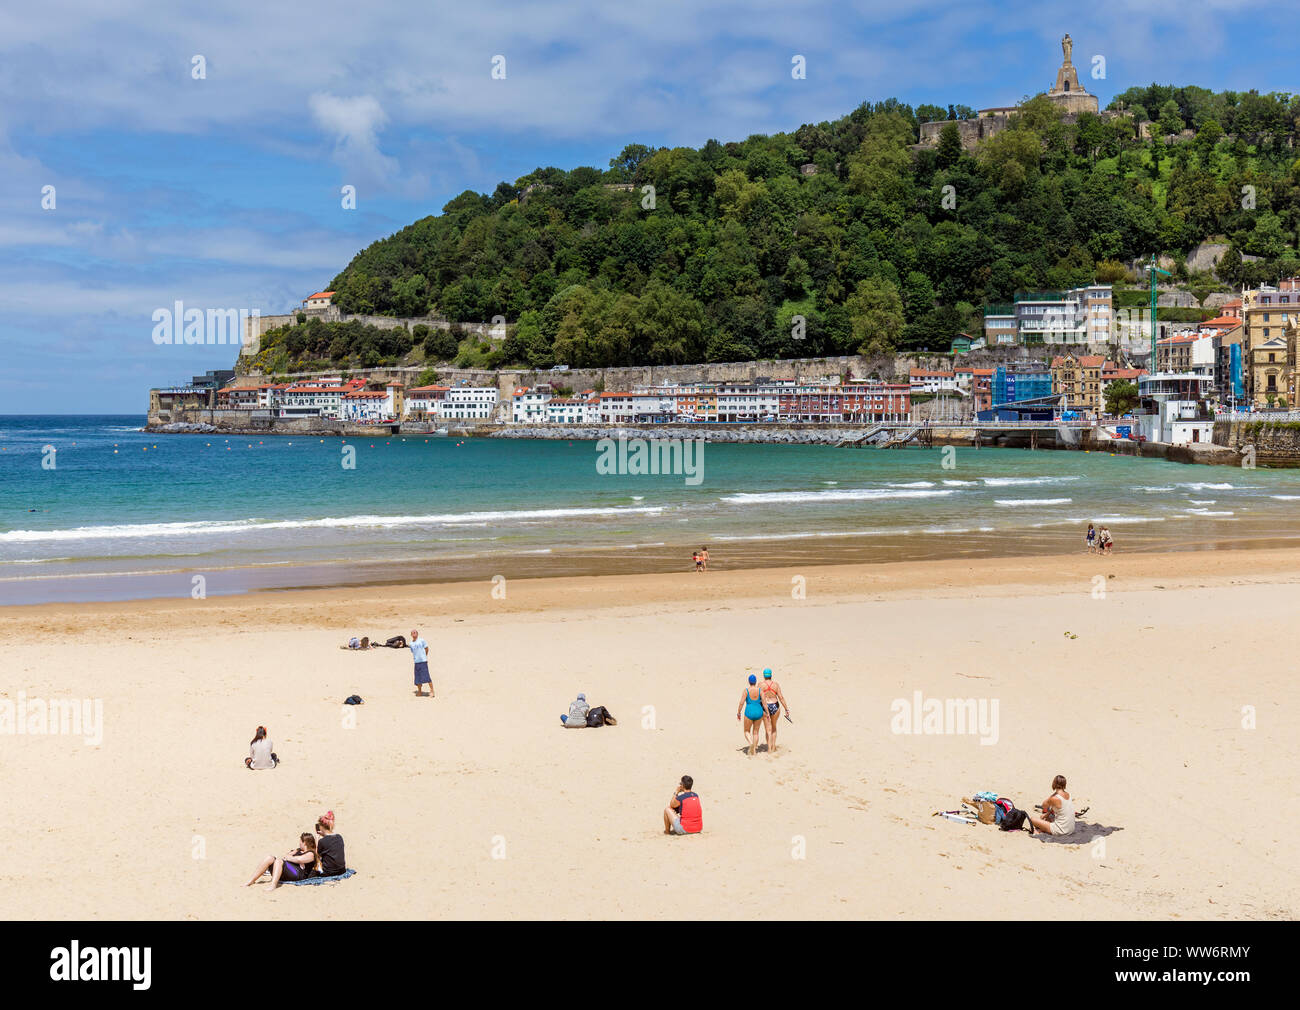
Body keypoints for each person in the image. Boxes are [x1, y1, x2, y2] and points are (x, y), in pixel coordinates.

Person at [244, 832, 318, 890]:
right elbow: (286, 856)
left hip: (297, 873)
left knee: (279, 861)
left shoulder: (310, 854)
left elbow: (298, 859)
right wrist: (289, 857)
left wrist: (290, 858)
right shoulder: (298, 850)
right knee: (270, 857)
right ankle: (251, 881)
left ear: (304, 843)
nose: (299, 843)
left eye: (300, 842)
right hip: (289, 870)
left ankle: (273, 885)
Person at [759, 668, 791, 754]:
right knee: (774, 727)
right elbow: (781, 697)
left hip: (765, 707)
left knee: (767, 729)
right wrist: (786, 708)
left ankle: (769, 748)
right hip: (775, 705)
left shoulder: (761, 685)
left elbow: (757, 697)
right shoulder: (776, 685)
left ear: (764, 676)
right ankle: (773, 747)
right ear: (771, 675)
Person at [737, 674, 765, 756]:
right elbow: (764, 702)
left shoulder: (746, 690)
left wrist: (739, 712)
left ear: (749, 682)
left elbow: (741, 703)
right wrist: (766, 712)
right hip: (759, 711)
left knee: (746, 731)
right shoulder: (760, 690)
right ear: (755, 681)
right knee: (756, 732)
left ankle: (751, 743)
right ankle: (755, 750)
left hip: (749, 712)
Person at [315, 812, 347, 877]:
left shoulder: (322, 841)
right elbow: (330, 842)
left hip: (328, 872)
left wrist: (316, 841)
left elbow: (316, 856)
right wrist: (324, 835)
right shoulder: (339, 837)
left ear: (321, 826)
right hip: (342, 870)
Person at [409, 629, 433, 697]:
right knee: (418, 678)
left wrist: (424, 657)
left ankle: (432, 690)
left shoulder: (421, 640)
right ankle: (419, 691)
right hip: (416, 662)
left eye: (415, 632)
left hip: (423, 661)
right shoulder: (411, 643)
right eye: (412, 633)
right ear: (411, 635)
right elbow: (413, 652)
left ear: (417, 634)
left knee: (427, 676)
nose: (414, 634)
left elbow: (426, 648)